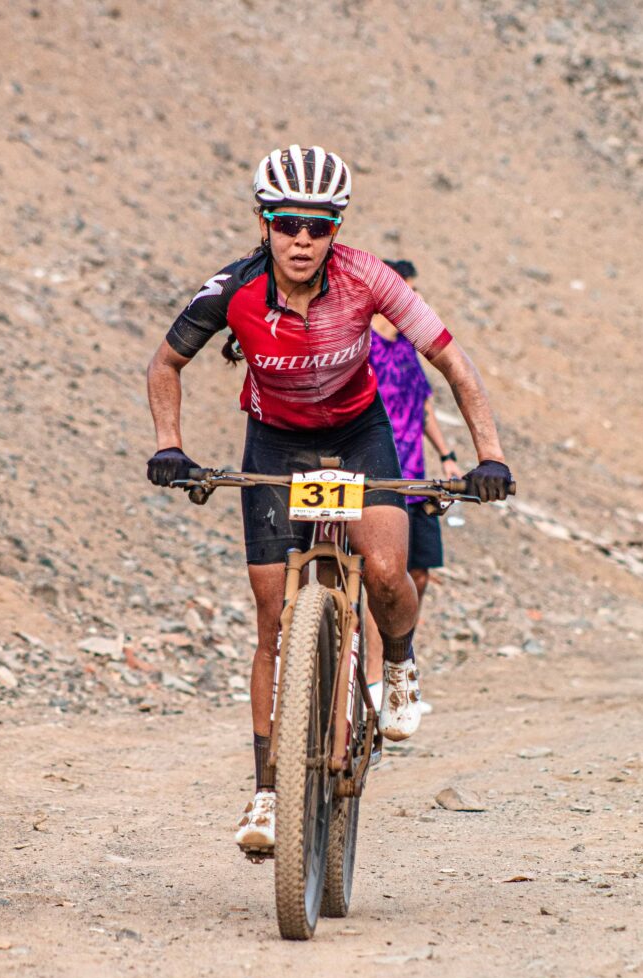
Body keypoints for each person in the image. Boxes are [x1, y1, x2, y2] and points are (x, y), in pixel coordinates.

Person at [145, 145, 513, 851]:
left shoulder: (367, 277)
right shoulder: (233, 289)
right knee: (272, 623)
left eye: (319, 226)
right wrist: (170, 444)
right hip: (275, 442)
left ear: (335, 230)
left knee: (387, 572)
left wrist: (489, 455)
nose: (302, 240)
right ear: (265, 224)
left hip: (357, 436)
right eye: (288, 224)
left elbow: (451, 361)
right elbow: (166, 363)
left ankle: (398, 663)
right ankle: (266, 795)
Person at [365, 258, 462, 713]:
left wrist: (447, 454)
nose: (416, 297)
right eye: (409, 289)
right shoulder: (361, 342)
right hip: (373, 473)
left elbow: (422, 407)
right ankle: (374, 678)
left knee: (418, 573)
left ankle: (398, 663)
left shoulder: (407, 345)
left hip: (416, 477)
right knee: (381, 576)